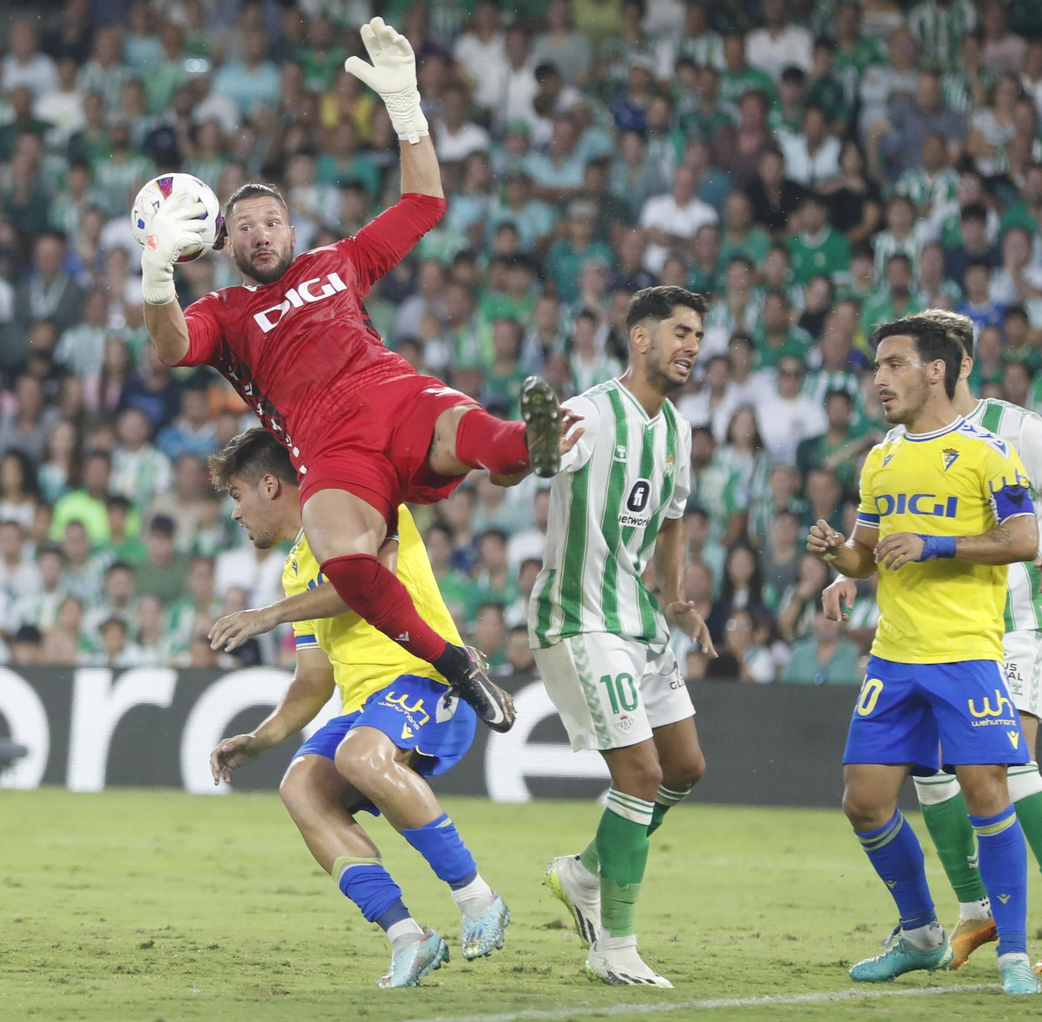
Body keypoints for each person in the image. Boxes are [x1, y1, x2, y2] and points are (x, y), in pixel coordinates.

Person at [141, 20, 565, 734]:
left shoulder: (334, 263)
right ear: (222, 244)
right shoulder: (224, 311)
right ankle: (458, 666)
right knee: (344, 562)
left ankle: (529, 448)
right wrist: (156, 276)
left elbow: (424, 204)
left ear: (292, 231)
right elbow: (171, 347)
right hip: (330, 449)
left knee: (475, 432)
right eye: (244, 227)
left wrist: (406, 107)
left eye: (272, 221)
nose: (260, 233)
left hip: (394, 395)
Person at [825, 308, 1042, 977]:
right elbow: (880, 538)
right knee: (930, 775)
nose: (888, 374)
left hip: (1014, 623)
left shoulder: (1015, 428)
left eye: (902, 360)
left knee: (1007, 772)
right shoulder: (894, 447)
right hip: (921, 634)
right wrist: (844, 573)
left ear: (951, 364)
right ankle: (974, 911)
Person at [204, 428, 509, 988]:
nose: (235, 513)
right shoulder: (296, 570)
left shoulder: (360, 507)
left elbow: (371, 583)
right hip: (369, 707)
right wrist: (261, 739)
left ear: (270, 485)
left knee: (358, 756)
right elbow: (313, 679)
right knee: (300, 788)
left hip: (428, 678)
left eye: (237, 496)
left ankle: (477, 899)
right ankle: (408, 937)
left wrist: (266, 615)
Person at [532, 286, 716, 987]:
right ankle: (615, 946)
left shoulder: (677, 431)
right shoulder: (590, 412)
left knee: (684, 768)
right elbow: (536, 464)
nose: (691, 346)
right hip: (579, 617)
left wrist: (676, 597)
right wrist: (535, 447)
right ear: (640, 338)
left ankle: (584, 873)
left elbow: (673, 520)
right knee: (639, 775)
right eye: (680, 331)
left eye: (697, 335)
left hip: (639, 616)